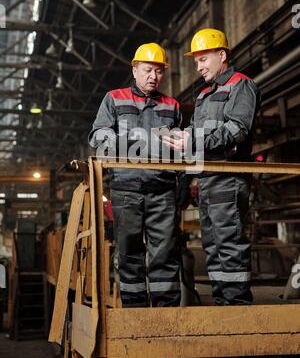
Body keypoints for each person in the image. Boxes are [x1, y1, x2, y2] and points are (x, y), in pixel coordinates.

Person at [163, 28, 260, 305]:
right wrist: (184, 177)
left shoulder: (242, 86)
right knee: (214, 248)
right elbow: (195, 138)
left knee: (229, 246)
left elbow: (237, 129)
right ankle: (222, 308)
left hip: (228, 179)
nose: (198, 67)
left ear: (221, 55)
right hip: (206, 180)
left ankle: (236, 309)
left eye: (203, 59)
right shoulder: (205, 95)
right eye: (196, 62)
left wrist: (192, 138)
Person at [88, 42, 182, 308]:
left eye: (159, 71)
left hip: (162, 190)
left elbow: (182, 150)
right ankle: (134, 315)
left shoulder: (172, 106)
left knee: (165, 253)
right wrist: (130, 142)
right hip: (126, 188)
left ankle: (167, 318)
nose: (153, 76)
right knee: (129, 252)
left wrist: (184, 182)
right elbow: (97, 135)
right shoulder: (114, 98)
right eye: (148, 70)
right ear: (135, 69)